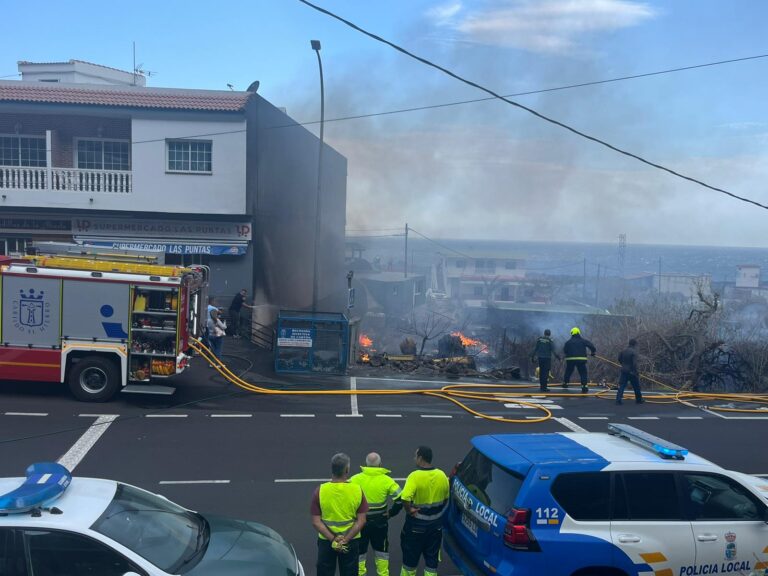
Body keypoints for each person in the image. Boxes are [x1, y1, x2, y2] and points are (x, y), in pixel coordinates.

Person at [311, 453, 368, 576]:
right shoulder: (357, 490)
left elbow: (316, 522)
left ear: (332, 469)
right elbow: (361, 520)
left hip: (326, 541)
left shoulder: (320, 490)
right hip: (350, 540)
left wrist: (334, 540)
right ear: (347, 470)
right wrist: (345, 540)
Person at [399, 446, 450, 576]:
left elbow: (405, 497)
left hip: (416, 526)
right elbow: (447, 498)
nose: (414, 458)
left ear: (420, 458)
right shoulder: (442, 475)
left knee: (409, 563)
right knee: (431, 562)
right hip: (435, 526)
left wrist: (409, 509)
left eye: (415, 456)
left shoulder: (415, 476)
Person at [350, 453, 402, 576]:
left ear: (366, 464)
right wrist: (391, 513)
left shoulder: (354, 479)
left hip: (360, 523)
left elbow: (345, 498)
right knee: (382, 552)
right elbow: (401, 499)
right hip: (380, 523)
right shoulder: (387, 481)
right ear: (380, 464)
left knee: (360, 552)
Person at [563, 327, 596, 393]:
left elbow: (565, 350)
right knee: (583, 373)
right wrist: (593, 352)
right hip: (581, 359)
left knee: (568, 371)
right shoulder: (583, 341)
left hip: (570, 360)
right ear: (578, 333)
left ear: (571, 333)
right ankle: (584, 386)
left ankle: (565, 383)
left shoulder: (568, 342)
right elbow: (592, 346)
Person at [616, 339, 644, 405]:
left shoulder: (623, 351)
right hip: (632, 372)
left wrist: (623, 365)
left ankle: (618, 400)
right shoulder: (634, 352)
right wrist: (636, 372)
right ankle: (639, 400)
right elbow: (634, 364)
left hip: (624, 370)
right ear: (634, 344)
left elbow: (619, 359)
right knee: (636, 386)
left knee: (622, 385)